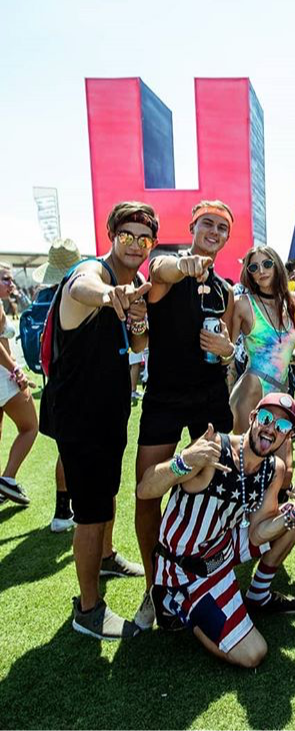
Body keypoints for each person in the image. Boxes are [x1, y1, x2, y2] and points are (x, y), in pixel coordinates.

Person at [39, 201, 157, 639]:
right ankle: (88, 610)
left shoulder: (136, 283)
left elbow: (139, 344)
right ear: (111, 236)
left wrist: (137, 319)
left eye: (144, 239)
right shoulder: (93, 273)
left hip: (110, 410)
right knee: (89, 512)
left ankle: (105, 557)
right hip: (80, 414)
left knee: (106, 494)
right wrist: (109, 296)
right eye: (126, 235)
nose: (135, 245)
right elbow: (80, 287)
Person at [140, 393, 295, 668]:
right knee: (254, 654)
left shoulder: (273, 469)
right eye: (266, 418)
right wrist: (184, 461)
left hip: (223, 547)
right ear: (252, 417)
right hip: (186, 566)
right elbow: (145, 489)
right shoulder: (214, 448)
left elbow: (257, 534)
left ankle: (258, 594)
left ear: (288, 436)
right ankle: (174, 601)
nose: (271, 429)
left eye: (282, 426)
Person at [134, 200, 237, 627]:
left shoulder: (225, 289)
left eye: (222, 227)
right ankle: (154, 588)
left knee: (218, 488)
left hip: (210, 397)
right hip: (164, 396)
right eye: (207, 223)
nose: (214, 231)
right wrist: (185, 264)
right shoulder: (168, 267)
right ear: (192, 226)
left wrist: (228, 351)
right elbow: (160, 271)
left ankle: (208, 576)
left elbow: (228, 350)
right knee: (148, 492)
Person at [30, 238, 84, 531]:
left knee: (66, 451)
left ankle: (64, 510)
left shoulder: (47, 297)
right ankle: (65, 512)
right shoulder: (73, 294)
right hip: (71, 386)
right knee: (72, 452)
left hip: (55, 383)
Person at [230, 246, 295, 430]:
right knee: (246, 448)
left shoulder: (289, 304)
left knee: (280, 450)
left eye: (267, 264)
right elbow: (227, 352)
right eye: (254, 267)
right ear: (249, 274)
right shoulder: (243, 304)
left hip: (282, 392)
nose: (261, 271)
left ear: (277, 266)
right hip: (252, 387)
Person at [0, 264, 39, 509]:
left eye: (12, 279)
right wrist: (16, 370)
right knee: (30, 427)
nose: (11, 284)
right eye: (5, 279)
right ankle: (7, 479)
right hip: (4, 377)